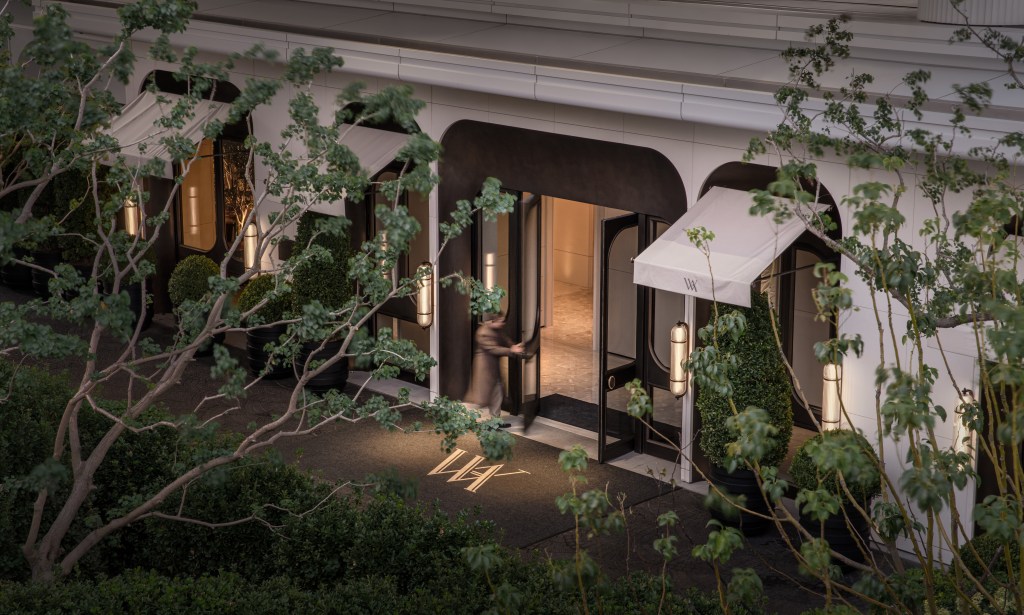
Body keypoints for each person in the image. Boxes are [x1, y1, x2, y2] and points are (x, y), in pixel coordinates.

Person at [464, 312, 524, 428]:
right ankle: (465, 416)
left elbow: (505, 340)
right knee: (480, 399)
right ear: (492, 321)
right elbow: (493, 349)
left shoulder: (497, 330)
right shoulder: (483, 333)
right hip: (485, 370)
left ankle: (495, 421)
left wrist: (513, 346)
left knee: (497, 394)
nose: (503, 324)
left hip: (493, 368)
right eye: (500, 321)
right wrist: (511, 350)